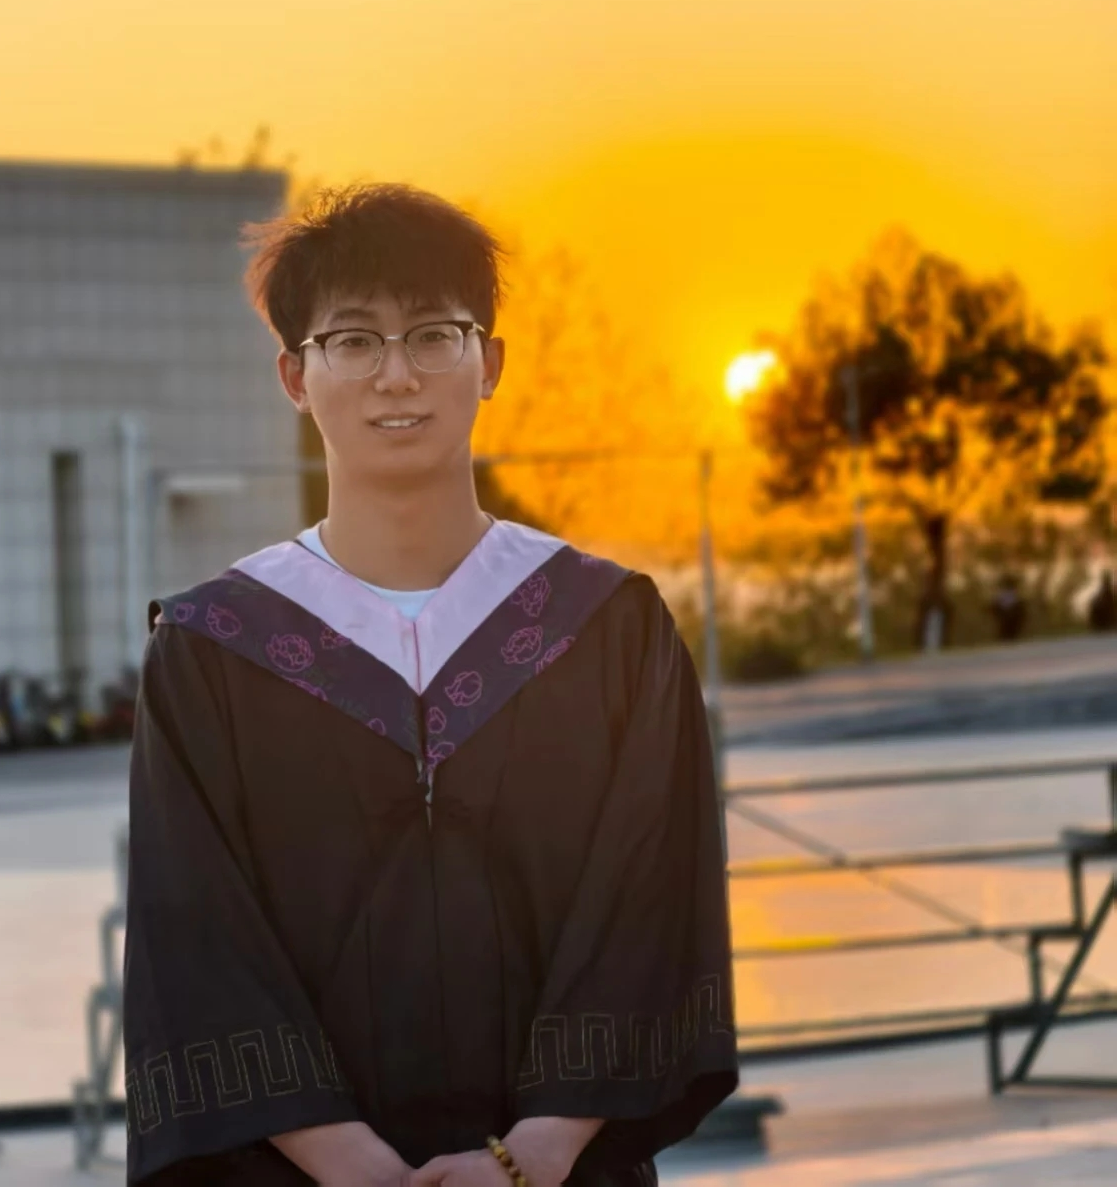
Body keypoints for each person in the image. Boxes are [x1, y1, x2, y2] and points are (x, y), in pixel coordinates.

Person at [124, 185, 738, 1186]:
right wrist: (346, 1161)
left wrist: (538, 1147)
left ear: (489, 362)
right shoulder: (214, 650)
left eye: (432, 335)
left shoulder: (604, 626)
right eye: (353, 341)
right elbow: (194, 931)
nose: (396, 374)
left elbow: (649, 896)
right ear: (295, 375)